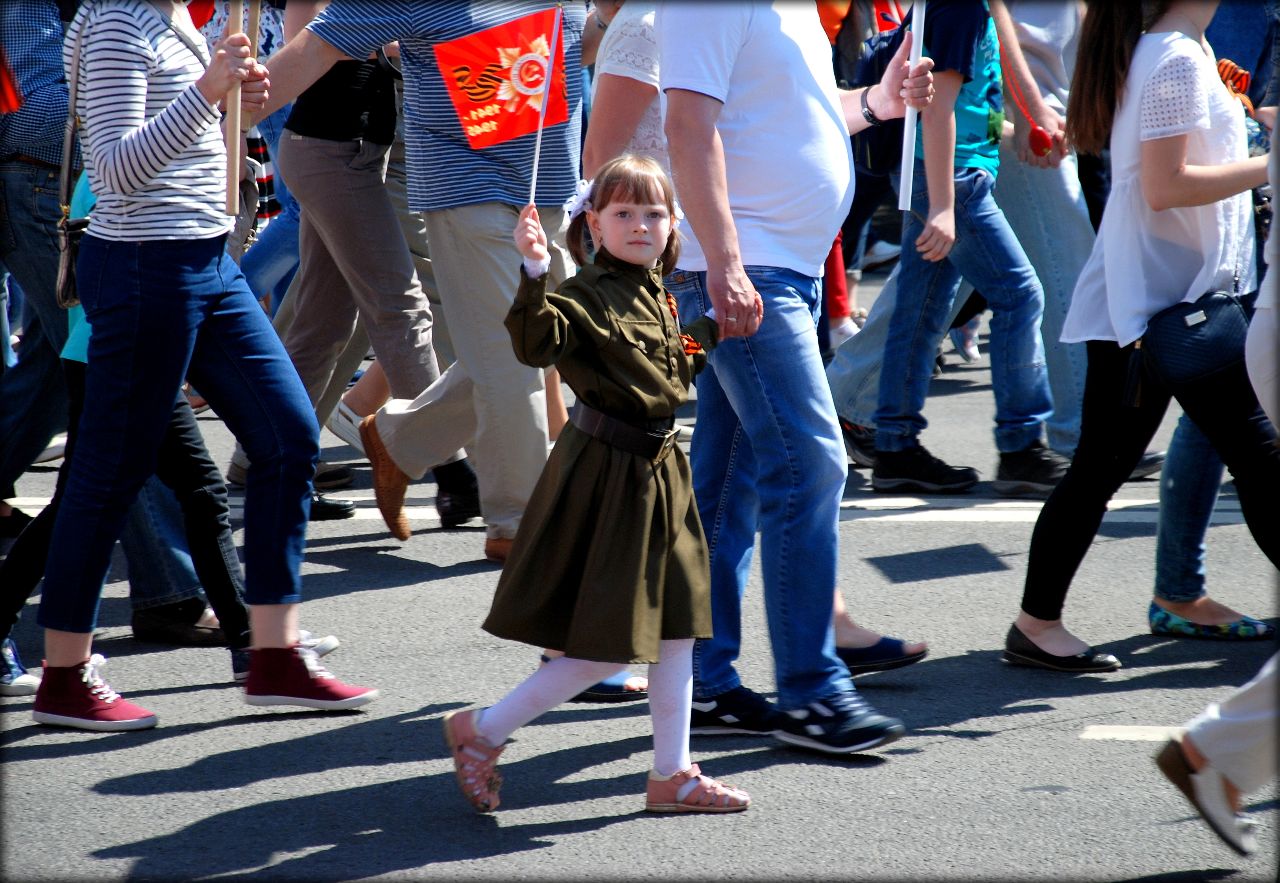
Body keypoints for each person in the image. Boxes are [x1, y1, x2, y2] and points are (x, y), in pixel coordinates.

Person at [32, 0, 376, 732]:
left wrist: (236, 108)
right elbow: (117, 168)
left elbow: (189, 143)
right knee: (109, 472)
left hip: (204, 258)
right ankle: (64, 673)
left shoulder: (173, 18)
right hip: (143, 265)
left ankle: (273, 653)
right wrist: (207, 93)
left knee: (288, 436)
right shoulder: (120, 20)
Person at [657, 2, 933, 753]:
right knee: (810, 464)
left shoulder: (786, 7)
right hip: (749, 273)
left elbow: (795, 120)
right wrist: (724, 265)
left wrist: (877, 102)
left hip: (780, 270)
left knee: (726, 486)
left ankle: (707, 680)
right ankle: (812, 691)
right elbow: (688, 127)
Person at [443, 155, 748, 815]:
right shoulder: (582, 291)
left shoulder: (658, 290)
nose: (640, 225)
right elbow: (535, 343)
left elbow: (671, 372)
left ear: (672, 227)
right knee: (606, 642)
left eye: (654, 214)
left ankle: (673, 774)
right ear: (593, 224)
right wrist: (532, 270)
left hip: (661, 474)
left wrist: (710, 328)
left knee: (676, 630)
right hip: (610, 479)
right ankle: (482, 730)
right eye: (622, 213)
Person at [255, 0, 585, 563]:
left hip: (551, 191)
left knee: (524, 345)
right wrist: (207, 115)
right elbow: (312, 46)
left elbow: (589, 47)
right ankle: (518, 520)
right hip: (464, 190)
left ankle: (399, 438)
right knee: (504, 355)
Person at [1004, 0, 1279, 673]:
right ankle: (1037, 623)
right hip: (1164, 308)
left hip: (1155, 302)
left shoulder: (1177, 48)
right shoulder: (1173, 56)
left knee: (1100, 467)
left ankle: (1035, 623)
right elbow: (1164, 186)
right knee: (1260, 460)